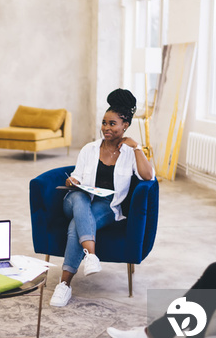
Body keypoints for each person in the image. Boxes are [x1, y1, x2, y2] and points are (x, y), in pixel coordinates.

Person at [50, 89, 155, 308]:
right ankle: (91, 255)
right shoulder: (89, 149)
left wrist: (136, 148)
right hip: (77, 199)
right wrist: (73, 182)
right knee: (79, 199)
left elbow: (148, 176)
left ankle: (65, 285)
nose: (106, 128)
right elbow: (76, 176)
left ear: (125, 125)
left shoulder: (130, 153)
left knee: (75, 227)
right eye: (104, 123)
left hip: (107, 206)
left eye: (112, 124)